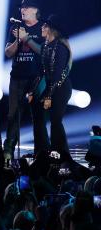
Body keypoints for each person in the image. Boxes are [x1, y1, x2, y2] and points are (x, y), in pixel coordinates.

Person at [19, 14, 72, 159]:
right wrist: (32, 91)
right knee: (37, 112)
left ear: (51, 29)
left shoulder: (60, 48)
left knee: (56, 120)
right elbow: (42, 72)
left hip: (60, 88)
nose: (41, 27)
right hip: (50, 87)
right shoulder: (46, 47)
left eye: (44, 26)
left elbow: (57, 74)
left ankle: (61, 154)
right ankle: (42, 151)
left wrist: (49, 95)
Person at [3, 0, 47, 161]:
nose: (23, 10)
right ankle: (8, 151)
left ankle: (41, 152)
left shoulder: (43, 28)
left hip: (36, 79)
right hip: (17, 78)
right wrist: (17, 39)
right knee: (13, 115)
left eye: (27, 8)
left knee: (38, 116)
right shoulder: (15, 27)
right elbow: (8, 53)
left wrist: (26, 38)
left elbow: (43, 52)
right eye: (22, 7)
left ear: (36, 10)